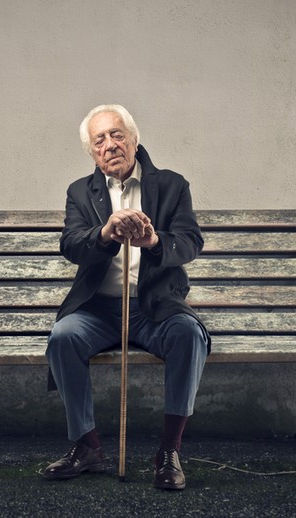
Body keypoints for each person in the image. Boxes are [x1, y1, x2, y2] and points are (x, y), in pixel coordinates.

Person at [43, 104, 209, 490]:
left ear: (134, 140)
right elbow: (71, 245)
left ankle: (169, 451)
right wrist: (104, 234)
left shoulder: (171, 185)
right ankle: (87, 447)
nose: (110, 145)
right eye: (99, 139)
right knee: (63, 337)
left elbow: (190, 243)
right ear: (92, 152)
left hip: (155, 306)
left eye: (117, 134)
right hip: (98, 310)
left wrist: (153, 240)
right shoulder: (80, 192)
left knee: (189, 335)